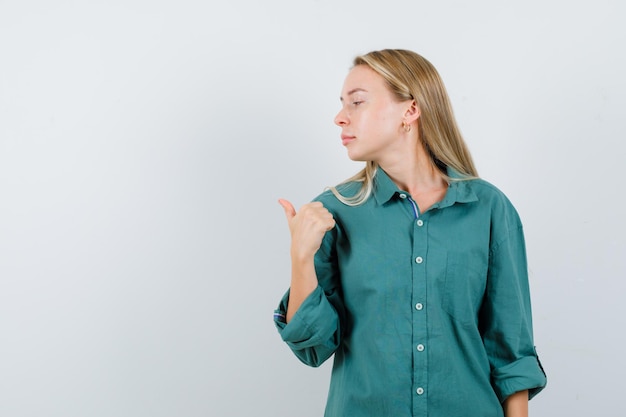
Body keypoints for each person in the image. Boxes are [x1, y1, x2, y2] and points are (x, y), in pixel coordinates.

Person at [274, 49, 546, 417]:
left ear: (410, 110)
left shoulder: (488, 209)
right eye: (343, 104)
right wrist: (300, 256)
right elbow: (313, 347)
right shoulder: (335, 211)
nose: (340, 118)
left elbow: (511, 351)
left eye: (356, 102)